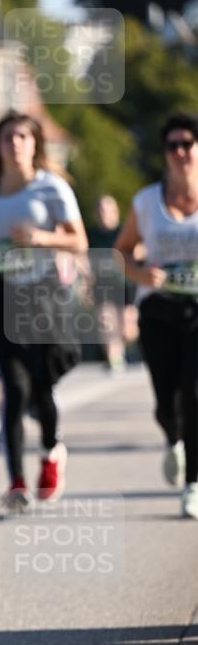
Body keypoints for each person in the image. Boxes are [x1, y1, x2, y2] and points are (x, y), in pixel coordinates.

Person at [0, 111, 88, 512]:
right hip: (1, 296)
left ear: (35, 143)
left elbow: (79, 242)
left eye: (23, 136)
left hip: (42, 297)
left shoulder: (51, 187)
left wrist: (40, 238)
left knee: (40, 386)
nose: (15, 143)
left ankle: (52, 450)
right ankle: (16, 482)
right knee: (13, 390)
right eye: (7, 137)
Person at [115, 112, 198, 520]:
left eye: (187, 144)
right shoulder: (147, 202)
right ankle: (172, 436)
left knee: (194, 394)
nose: (180, 152)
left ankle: (193, 484)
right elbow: (121, 252)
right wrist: (139, 273)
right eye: (172, 145)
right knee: (166, 402)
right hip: (158, 310)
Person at [88, 195, 137, 373]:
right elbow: (83, 259)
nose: (104, 214)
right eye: (100, 210)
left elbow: (141, 251)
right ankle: (114, 360)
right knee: (106, 322)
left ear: (115, 212)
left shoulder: (124, 231)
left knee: (128, 331)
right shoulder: (91, 235)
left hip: (125, 284)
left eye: (107, 209)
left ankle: (122, 349)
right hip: (102, 285)